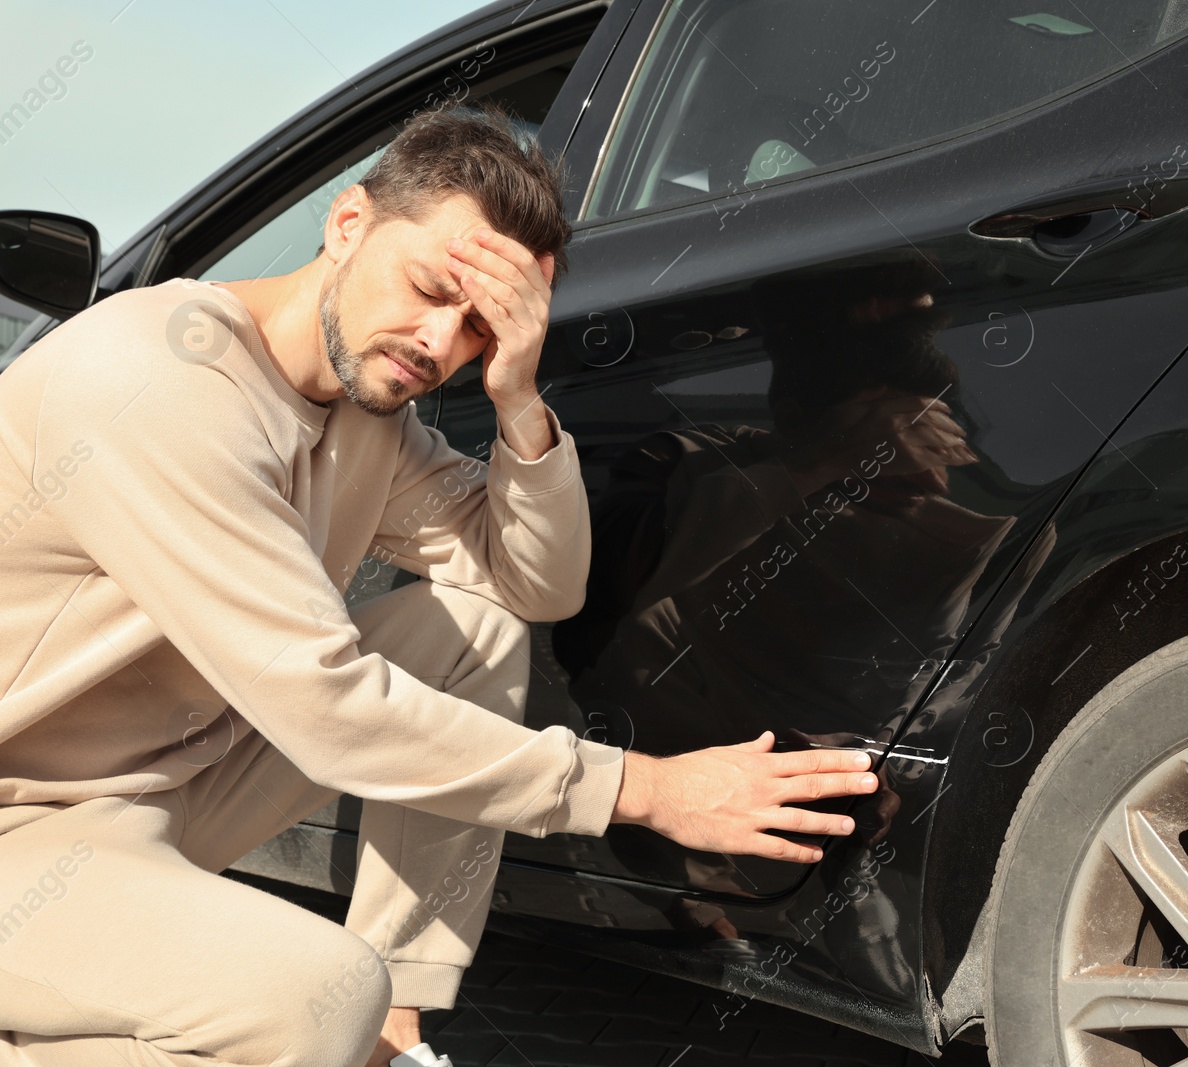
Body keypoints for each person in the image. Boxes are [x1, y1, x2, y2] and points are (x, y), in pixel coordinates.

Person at [0, 103, 878, 1067]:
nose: (438, 342)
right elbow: (326, 703)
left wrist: (519, 395)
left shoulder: (364, 411)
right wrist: (645, 788)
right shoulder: (155, 384)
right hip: (23, 835)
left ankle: (394, 1031)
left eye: (479, 325)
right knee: (307, 999)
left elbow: (530, 584)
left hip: (151, 791)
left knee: (473, 630)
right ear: (347, 225)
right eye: (428, 287)